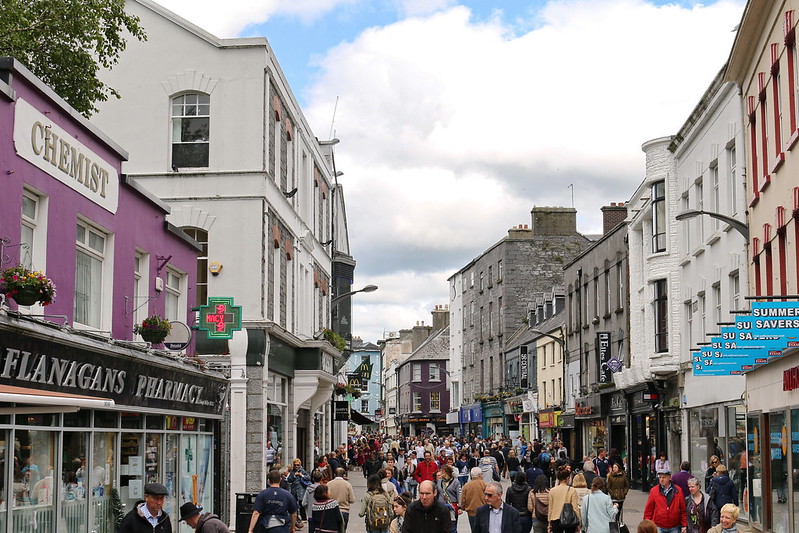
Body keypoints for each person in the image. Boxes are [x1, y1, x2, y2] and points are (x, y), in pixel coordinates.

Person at [643, 468, 686, 533]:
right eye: (660, 477)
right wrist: (646, 524)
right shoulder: (654, 491)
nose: (661, 480)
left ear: (669, 478)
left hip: (674, 526)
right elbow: (649, 509)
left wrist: (684, 525)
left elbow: (683, 510)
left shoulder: (678, 490)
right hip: (659, 525)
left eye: (664, 477)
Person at [548, 466, 581, 533]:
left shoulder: (552, 491)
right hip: (569, 518)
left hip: (555, 518)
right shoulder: (572, 490)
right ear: (567, 478)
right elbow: (575, 508)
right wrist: (578, 522)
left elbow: (550, 508)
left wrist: (549, 523)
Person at [461, 467, 487, 532]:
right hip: (484, 511)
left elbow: (463, 500)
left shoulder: (466, 486)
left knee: (474, 530)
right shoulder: (485, 485)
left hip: (471, 512)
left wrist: (464, 507)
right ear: (479, 475)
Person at [288, 459, 312, 528]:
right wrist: (294, 475)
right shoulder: (292, 472)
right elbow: (289, 480)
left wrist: (302, 475)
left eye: (298, 465)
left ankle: (303, 517)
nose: (296, 466)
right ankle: (297, 519)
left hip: (301, 490)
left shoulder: (302, 471)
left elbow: (308, 477)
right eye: (295, 465)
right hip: (294, 491)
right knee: (295, 504)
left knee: (301, 504)